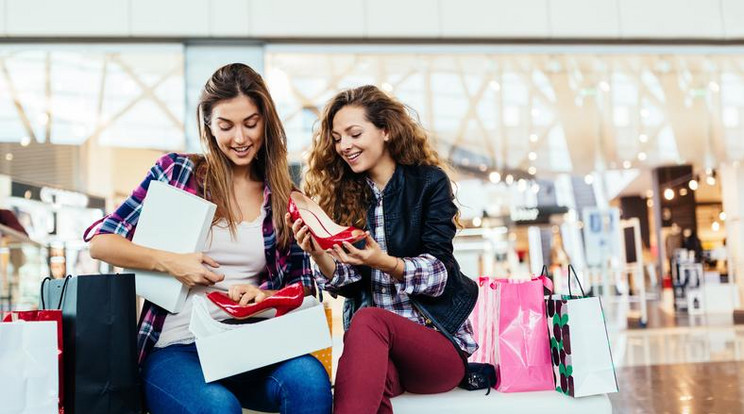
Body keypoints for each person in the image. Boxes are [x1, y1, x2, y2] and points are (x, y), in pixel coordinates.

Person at [88, 63, 331, 414]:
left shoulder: (281, 196)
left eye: (251, 123)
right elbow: (101, 241)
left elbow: (303, 285)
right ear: (208, 126)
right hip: (177, 346)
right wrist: (173, 263)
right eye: (226, 125)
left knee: (310, 380)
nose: (240, 138)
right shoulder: (177, 172)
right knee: (218, 407)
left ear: (266, 122)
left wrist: (264, 297)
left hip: (253, 343)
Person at [288, 85, 478, 414]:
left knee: (369, 320)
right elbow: (350, 283)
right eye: (336, 138)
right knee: (368, 393)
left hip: (437, 343)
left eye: (354, 133)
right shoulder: (346, 193)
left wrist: (385, 262)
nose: (344, 145)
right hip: (381, 352)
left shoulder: (428, 183)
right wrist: (318, 253)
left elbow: (441, 274)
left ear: (385, 130)